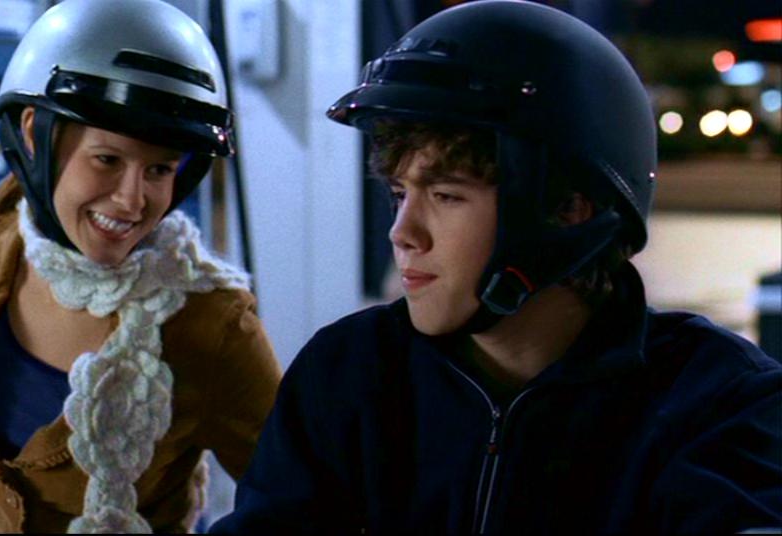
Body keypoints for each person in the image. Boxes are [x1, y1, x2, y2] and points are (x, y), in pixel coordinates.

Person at [210, 1, 782, 534]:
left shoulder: (717, 403)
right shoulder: (347, 374)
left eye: (446, 196)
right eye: (399, 194)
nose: (402, 233)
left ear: (568, 210)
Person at [0, 0, 282, 532]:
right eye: (108, 159)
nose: (132, 200)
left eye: (159, 169)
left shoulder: (212, 322)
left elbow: (303, 500)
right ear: (35, 134)